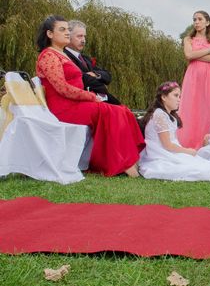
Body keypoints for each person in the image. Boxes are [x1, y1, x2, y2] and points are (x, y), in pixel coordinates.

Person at [35, 15, 143, 177]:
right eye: (62, 29)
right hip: (64, 107)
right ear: (50, 34)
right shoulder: (49, 56)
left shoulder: (62, 54)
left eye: (68, 30)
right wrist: (90, 96)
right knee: (111, 112)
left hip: (75, 104)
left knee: (123, 111)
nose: (67, 33)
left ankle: (129, 159)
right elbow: (62, 88)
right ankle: (121, 163)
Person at [138, 82, 210, 181]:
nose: (179, 99)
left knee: (201, 164)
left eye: (179, 96)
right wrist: (187, 151)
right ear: (164, 97)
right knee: (197, 169)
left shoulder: (167, 115)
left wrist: (186, 152)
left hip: (168, 152)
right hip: (161, 155)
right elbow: (167, 145)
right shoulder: (159, 115)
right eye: (175, 96)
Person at [176, 11, 210, 149]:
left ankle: (207, 142)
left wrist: (197, 55)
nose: (196, 22)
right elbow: (189, 55)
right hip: (193, 75)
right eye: (194, 19)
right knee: (191, 106)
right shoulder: (188, 39)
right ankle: (188, 141)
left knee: (208, 107)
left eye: (200, 19)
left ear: (207, 22)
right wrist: (208, 51)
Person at [64, 20, 120, 105]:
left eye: (84, 36)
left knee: (124, 111)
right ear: (68, 37)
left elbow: (108, 75)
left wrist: (96, 74)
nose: (83, 40)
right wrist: (101, 83)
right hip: (82, 101)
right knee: (121, 112)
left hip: (99, 98)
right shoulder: (64, 57)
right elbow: (83, 79)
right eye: (79, 36)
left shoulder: (85, 58)